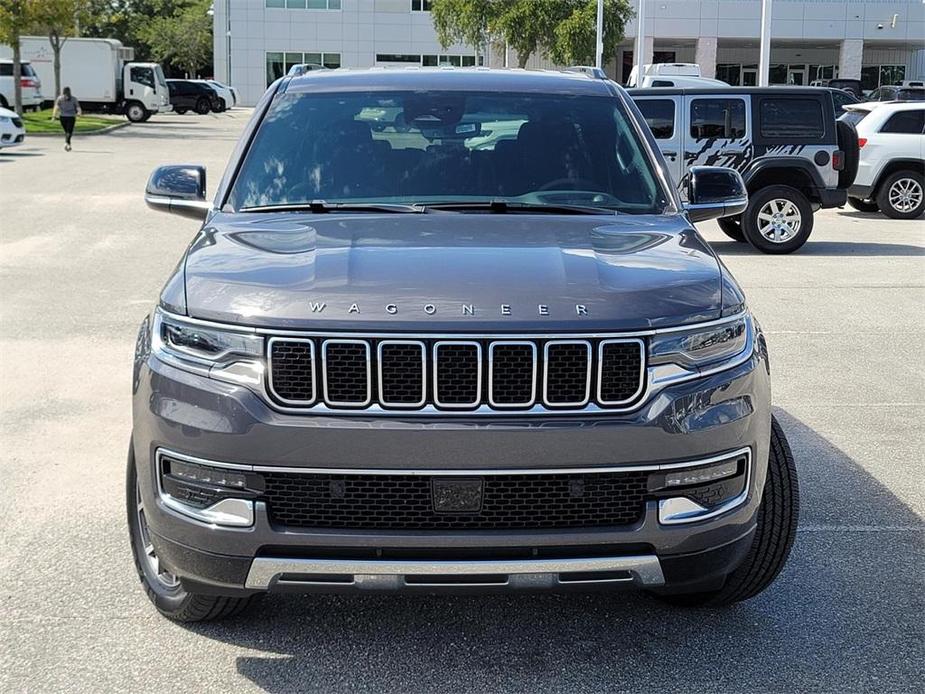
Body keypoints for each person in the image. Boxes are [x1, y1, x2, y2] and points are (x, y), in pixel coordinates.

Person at [52, 87, 81, 151]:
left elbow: (56, 107)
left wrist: (54, 116)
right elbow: (78, 107)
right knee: (69, 131)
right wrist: (79, 113)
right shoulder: (74, 99)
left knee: (67, 131)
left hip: (62, 117)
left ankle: (68, 145)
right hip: (71, 117)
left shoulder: (60, 98)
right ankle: (66, 143)